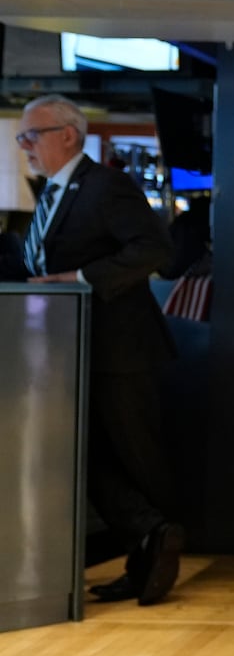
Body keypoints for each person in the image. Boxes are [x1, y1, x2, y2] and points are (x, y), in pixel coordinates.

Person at [17, 94, 185, 606]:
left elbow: (154, 249)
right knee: (87, 455)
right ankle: (148, 544)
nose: (24, 145)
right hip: (73, 352)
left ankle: (152, 555)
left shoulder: (107, 187)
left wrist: (79, 278)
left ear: (68, 135)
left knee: (135, 457)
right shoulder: (50, 195)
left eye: (32, 135)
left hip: (122, 351)